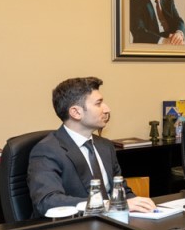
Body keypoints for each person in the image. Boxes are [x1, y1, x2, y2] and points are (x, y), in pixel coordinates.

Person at [28, 77, 157, 217]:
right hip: (74, 226)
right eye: (98, 103)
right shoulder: (47, 150)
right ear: (76, 112)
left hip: (114, 221)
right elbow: (48, 201)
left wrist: (141, 206)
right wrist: (108, 205)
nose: (107, 109)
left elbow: (121, 191)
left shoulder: (105, 146)